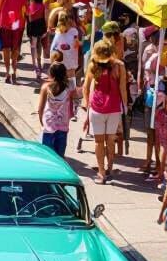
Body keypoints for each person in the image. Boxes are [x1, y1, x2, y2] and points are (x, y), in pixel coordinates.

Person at [82, 39, 128, 184]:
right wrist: (125, 107)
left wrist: (86, 104)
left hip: (96, 107)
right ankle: (109, 168)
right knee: (110, 140)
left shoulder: (92, 66)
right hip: (114, 107)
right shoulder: (119, 66)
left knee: (98, 141)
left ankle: (101, 173)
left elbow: (85, 87)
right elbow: (122, 88)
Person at [0, 0, 28, 83]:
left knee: (6, 49)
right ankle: (14, 70)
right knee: (15, 48)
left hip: (6, 23)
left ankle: (7, 72)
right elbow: (26, 8)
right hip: (18, 23)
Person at [37, 63, 72, 158]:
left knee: (46, 156)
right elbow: (72, 107)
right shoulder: (68, 89)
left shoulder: (45, 87)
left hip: (48, 125)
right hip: (63, 125)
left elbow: (40, 109)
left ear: (51, 74)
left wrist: (42, 122)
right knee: (59, 157)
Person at [27, 0, 49, 80]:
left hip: (32, 27)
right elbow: (45, 17)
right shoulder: (43, 6)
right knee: (39, 45)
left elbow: (28, 15)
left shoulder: (30, 5)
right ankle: (39, 63)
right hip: (40, 26)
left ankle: (35, 64)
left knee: (33, 45)